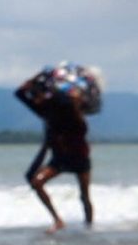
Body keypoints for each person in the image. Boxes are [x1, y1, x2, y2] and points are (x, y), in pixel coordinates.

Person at [14, 65, 96, 232]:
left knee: (84, 196)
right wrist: (38, 77)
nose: (35, 99)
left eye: (37, 96)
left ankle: (89, 227)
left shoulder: (69, 109)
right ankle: (58, 220)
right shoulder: (45, 110)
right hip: (59, 156)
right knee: (37, 182)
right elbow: (20, 93)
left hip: (79, 155)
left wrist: (75, 102)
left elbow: (82, 125)